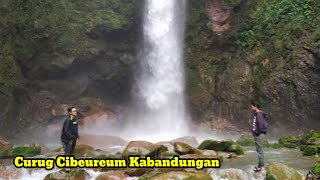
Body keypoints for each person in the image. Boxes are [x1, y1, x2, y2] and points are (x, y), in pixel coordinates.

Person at [251, 102, 267, 172]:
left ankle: (260, 166)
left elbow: (260, 125)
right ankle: (260, 165)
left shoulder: (259, 115)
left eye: (252, 107)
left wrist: (257, 133)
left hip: (259, 134)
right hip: (258, 134)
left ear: (255, 106)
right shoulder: (257, 114)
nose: (251, 108)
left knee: (260, 150)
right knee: (259, 150)